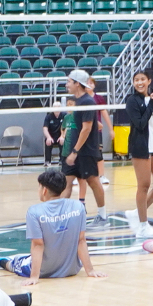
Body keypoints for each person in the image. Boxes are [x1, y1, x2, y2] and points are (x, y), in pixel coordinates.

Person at [0, 169, 102, 282]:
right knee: (28, 256)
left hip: (44, 272)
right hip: (72, 269)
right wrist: (90, 271)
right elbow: (81, 241)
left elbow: (38, 245)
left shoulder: (34, 212)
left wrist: (34, 276)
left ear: (44, 190)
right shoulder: (78, 207)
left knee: (14, 263)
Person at [120, 68, 153, 237]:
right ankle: (143, 225)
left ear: (149, 81)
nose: (140, 82)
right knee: (143, 185)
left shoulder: (152, 100)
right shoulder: (131, 101)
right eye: (136, 80)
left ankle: (137, 212)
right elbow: (140, 124)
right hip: (140, 147)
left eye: (143, 79)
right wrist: (151, 105)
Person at [62, 69, 107, 219]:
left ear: (77, 83)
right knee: (66, 183)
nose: (67, 84)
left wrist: (75, 152)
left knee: (93, 181)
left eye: (69, 81)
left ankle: (102, 216)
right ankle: (59, 215)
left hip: (85, 151)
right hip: (73, 151)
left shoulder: (87, 101)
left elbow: (86, 129)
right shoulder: (77, 102)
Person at [41, 101, 65, 167]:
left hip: (61, 135)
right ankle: (47, 161)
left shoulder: (64, 115)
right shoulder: (48, 117)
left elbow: (66, 128)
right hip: (51, 136)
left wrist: (62, 136)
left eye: (58, 107)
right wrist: (48, 137)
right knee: (48, 141)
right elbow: (45, 128)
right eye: (55, 107)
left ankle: (62, 160)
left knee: (63, 141)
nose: (57, 109)